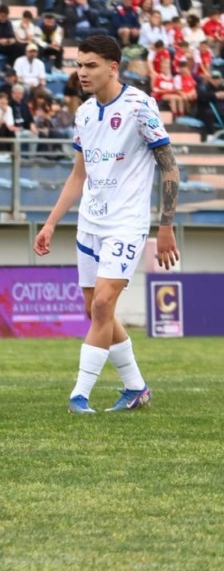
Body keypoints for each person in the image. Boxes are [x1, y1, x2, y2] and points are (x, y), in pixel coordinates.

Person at [34, 35, 179, 414]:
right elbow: (78, 176)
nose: (82, 72)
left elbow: (169, 165)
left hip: (126, 224)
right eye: (79, 65)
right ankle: (136, 387)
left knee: (101, 305)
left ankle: (79, 394)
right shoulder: (83, 113)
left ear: (113, 67)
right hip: (90, 225)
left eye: (91, 65)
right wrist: (50, 224)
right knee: (94, 310)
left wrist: (165, 225)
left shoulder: (139, 106)